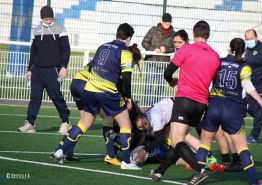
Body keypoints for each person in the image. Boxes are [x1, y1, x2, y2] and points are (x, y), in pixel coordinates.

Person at [52, 23, 141, 170]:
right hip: (106, 91)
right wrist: (128, 97)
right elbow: (126, 77)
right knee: (125, 124)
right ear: (129, 38)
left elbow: (92, 67)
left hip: (89, 89)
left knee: (85, 122)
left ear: (117, 34)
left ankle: (60, 150)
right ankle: (126, 162)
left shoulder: (103, 46)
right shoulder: (125, 51)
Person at [149, 20, 220, 185]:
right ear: (208, 35)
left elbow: (168, 72)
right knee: (178, 140)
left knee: (176, 140)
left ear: (193, 35)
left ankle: (199, 170)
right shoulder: (215, 56)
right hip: (201, 103)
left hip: (184, 100)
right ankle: (159, 172)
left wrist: (170, 81)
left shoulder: (186, 50)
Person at [195, 38, 262, 185]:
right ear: (244, 50)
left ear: (230, 49)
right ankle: (254, 182)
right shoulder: (245, 66)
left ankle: (196, 177)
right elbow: (246, 84)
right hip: (232, 108)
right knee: (242, 148)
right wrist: (259, 100)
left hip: (214, 105)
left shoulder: (219, 61)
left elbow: (205, 78)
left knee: (204, 144)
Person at [18, 5, 71, 135]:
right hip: (37, 70)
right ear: (42, 18)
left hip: (53, 70)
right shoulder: (36, 30)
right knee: (35, 97)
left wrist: (64, 66)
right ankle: (30, 123)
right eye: (45, 19)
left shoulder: (60, 29)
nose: (48, 20)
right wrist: (30, 69)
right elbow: (33, 50)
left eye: (49, 18)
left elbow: (66, 49)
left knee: (56, 96)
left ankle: (66, 122)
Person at [142, 13, 175, 106]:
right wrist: (153, 49)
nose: (167, 23)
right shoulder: (153, 30)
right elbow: (144, 42)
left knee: (160, 87)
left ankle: (155, 107)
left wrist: (166, 50)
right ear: (161, 21)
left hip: (164, 64)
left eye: (169, 21)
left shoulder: (173, 34)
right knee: (148, 85)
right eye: (165, 21)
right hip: (151, 62)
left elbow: (174, 48)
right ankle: (146, 106)